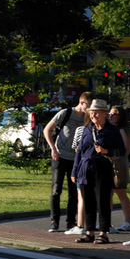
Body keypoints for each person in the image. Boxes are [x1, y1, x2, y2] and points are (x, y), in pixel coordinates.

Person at [71, 99, 126, 244]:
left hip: (103, 168)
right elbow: (80, 151)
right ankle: (89, 233)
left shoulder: (112, 130)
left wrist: (106, 151)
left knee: (102, 201)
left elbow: (122, 150)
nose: (93, 115)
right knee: (88, 201)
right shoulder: (88, 129)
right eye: (91, 113)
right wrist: (74, 171)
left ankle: (103, 233)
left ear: (104, 114)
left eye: (96, 113)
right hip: (85, 168)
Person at [43, 91, 95, 232]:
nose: (90, 109)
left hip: (75, 159)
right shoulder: (65, 113)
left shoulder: (88, 117)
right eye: (89, 106)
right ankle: (54, 221)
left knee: (73, 192)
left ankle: (70, 222)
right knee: (56, 190)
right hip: (59, 156)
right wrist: (53, 148)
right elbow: (47, 129)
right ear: (82, 103)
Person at [65, 113, 91, 235]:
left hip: (82, 166)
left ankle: (80, 225)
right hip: (96, 167)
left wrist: (74, 170)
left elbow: (75, 149)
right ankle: (101, 228)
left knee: (81, 197)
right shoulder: (109, 130)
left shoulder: (81, 130)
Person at [108, 105, 130, 231]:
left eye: (115, 114)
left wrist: (108, 151)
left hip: (119, 165)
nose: (111, 116)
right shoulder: (113, 129)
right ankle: (107, 221)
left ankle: (128, 221)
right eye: (110, 113)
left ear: (121, 116)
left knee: (121, 192)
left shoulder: (122, 130)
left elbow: (126, 151)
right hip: (112, 163)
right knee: (110, 193)